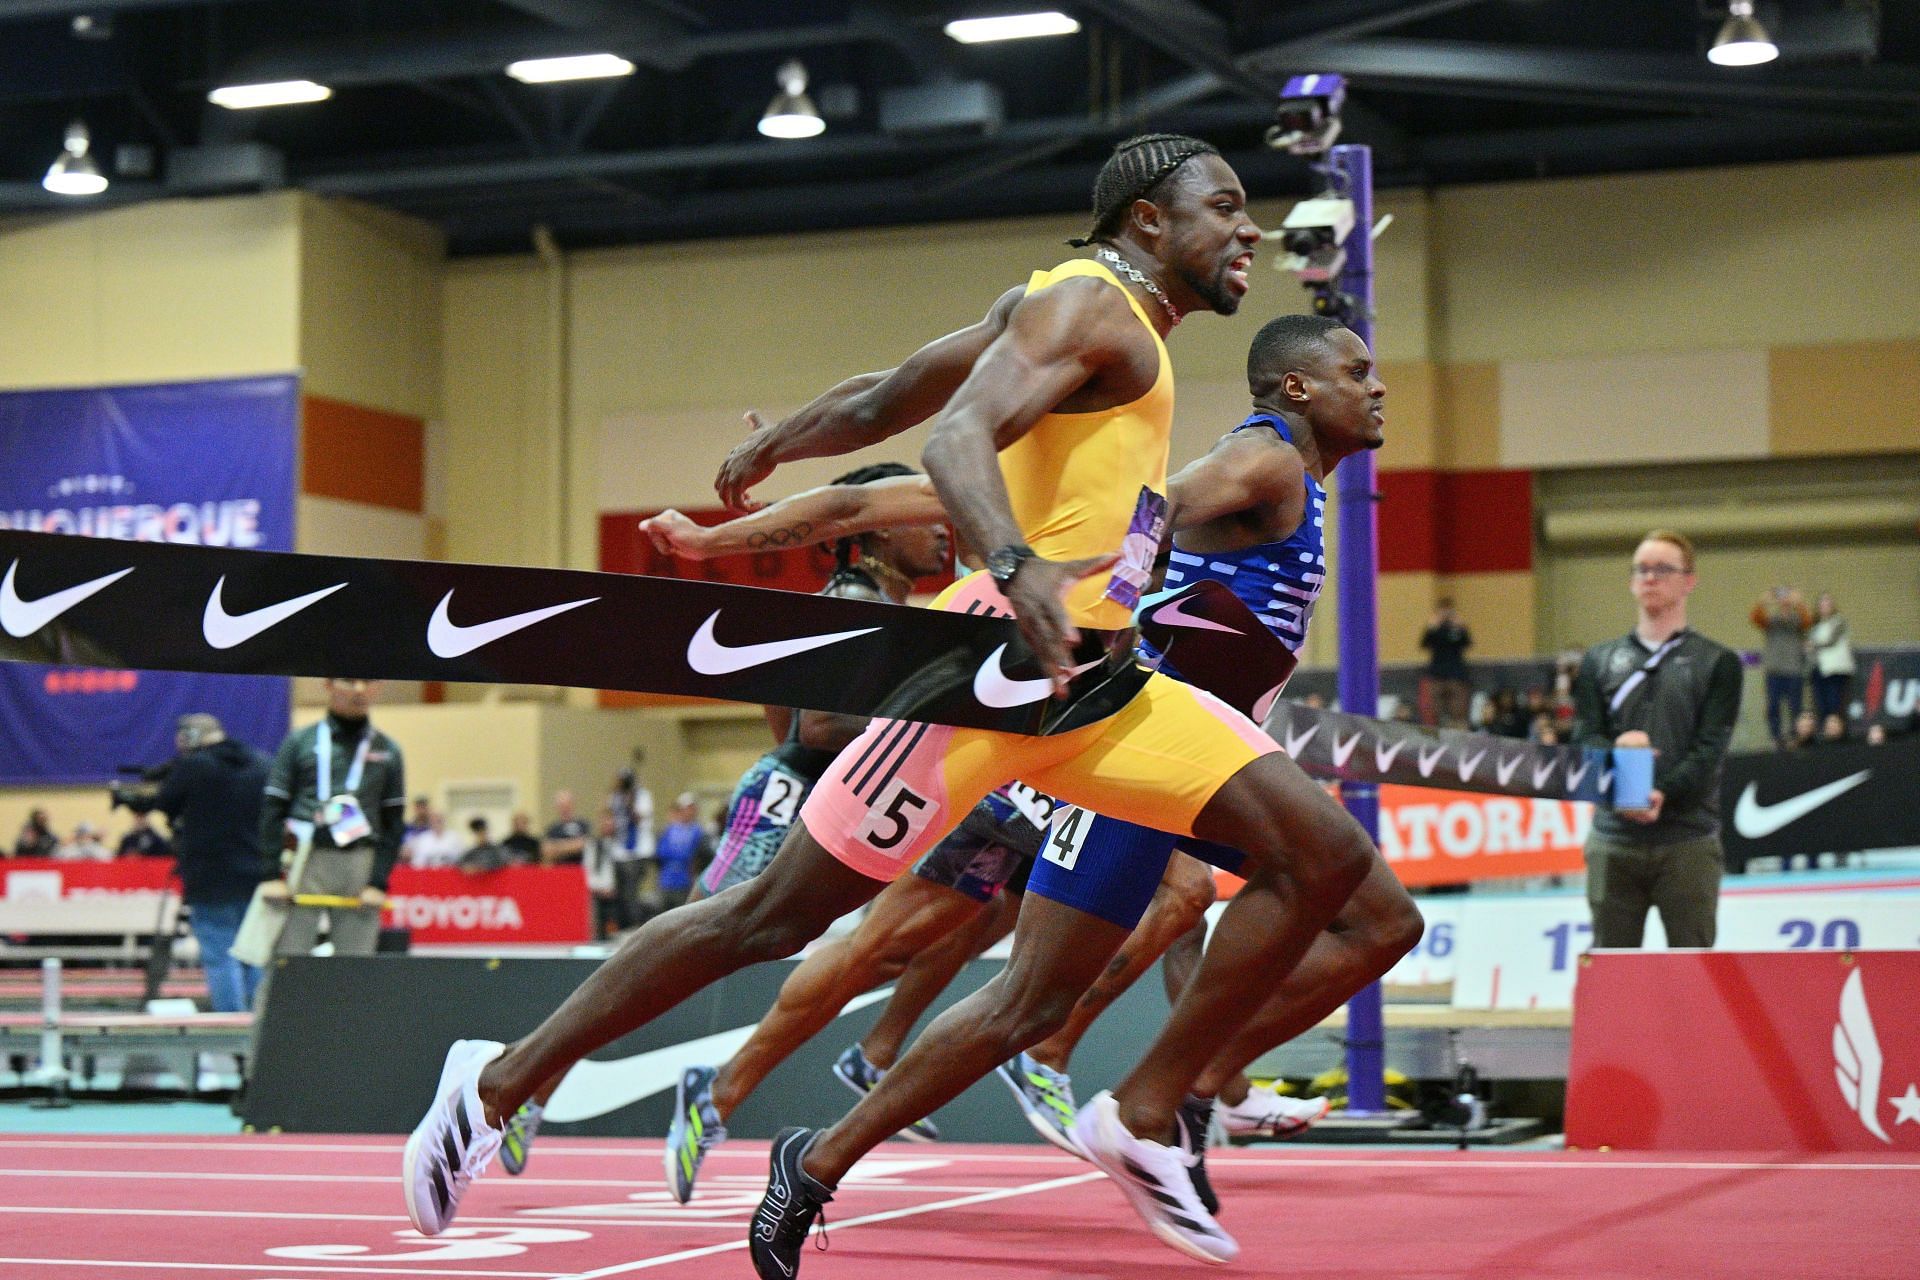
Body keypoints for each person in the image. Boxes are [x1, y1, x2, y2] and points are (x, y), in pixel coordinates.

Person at [402, 134, 1372, 1271]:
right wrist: (1014, 566)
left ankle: (1147, 1110)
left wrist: (776, 440)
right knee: (771, 919)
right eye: (1227, 207)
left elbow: (890, 392)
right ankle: (498, 1073)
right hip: (980, 671)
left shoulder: (1096, 320)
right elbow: (952, 433)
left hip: (1099, 685)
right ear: (1150, 221)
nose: (1250, 230)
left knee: (1323, 857)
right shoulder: (1093, 309)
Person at [1572, 531, 1742, 950]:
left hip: (1688, 840)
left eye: (1662, 569)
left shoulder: (1717, 662)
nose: (1650, 578)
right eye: (1641, 569)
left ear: (1689, 581)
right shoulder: (1599, 660)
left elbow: (1710, 749)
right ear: (1631, 581)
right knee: (1613, 972)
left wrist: (1662, 792)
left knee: (1695, 973)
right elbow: (1586, 737)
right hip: (1613, 840)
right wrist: (1619, 772)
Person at [115, 713, 270, 1011]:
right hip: (258, 875)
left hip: (209, 877)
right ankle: (259, 1027)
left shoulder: (194, 767)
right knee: (255, 954)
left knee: (221, 956)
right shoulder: (263, 763)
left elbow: (164, 804)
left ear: (190, 738)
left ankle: (231, 1033)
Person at [257, 678, 406, 958]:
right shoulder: (299, 742)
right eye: (349, 681)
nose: (359, 690)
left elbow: (394, 824)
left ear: (380, 687)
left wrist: (377, 883)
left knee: (357, 966)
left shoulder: (388, 750)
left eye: (368, 682)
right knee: (288, 961)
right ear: (328, 685)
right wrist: (270, 875)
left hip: (360, 863)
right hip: (303, 859)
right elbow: (272, 811)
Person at [1751, 586, 1811, 746]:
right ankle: (1775, 737)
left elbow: (1807, 622)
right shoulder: (1772, 620)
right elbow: (1755, 618)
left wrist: (1798, 602)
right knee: (1773, 707)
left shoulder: (1797, 620)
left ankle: (1795, 737)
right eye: (1782, 597)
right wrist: (1764, 601)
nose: (1784, 600)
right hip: (1774, 670)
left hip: (1794, 670)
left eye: (1787, 597)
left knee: (1795, 707)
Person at [649, 793, 711, 916]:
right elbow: (659, 855)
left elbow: (700, 855)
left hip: (685, 882)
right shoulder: (668, 830)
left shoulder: (697, 831)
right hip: (666, 882)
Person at [1420, 597, 1473, 728]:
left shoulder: (1457, 628)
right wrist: (1431, 627)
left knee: (1458, 711)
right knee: (1436, 711)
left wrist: (1461, 627)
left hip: (1457, 674)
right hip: (1437, 674)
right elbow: (1424, 644)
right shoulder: (1434, 629)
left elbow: (1467, 643)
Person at [1807, 593, 1855, 723]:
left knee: (1835, 705)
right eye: (1821, 603)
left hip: (1835, 670)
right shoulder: (1815, 627)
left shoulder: (1839, 621)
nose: (1824, 606)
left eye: (1827, 603)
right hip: (1819, 670)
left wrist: (1814, 644)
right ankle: (1825, 731)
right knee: (1821, 705)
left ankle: (1836, 732)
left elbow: (1830, 640)